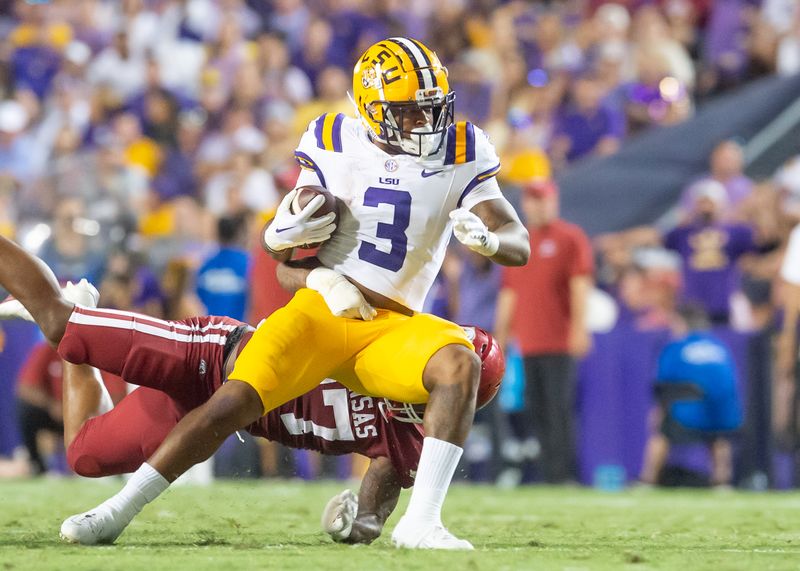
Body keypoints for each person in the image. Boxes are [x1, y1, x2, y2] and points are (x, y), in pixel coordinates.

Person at [55, 37, 530, 551]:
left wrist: (490, 241)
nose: (425, 122)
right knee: (229, 404)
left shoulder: (462, 147)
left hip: (392, 325)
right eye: (409, 111)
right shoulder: (332, 138)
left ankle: (421, 523)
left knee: (461, 364)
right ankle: (117, 509)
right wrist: (293, 244)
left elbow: (518, 241)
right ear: (372, 109)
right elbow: (286, 247)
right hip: (321, 311)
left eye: (431, 108)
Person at [0, 235, 505, 545]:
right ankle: (72, 314)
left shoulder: (413, 442)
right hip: (211, 359)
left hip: (210, 418)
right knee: (58, 322)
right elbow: (304, 282)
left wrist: (354, 525)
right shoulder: (387, 337)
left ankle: (79, 314)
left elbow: (374, 514)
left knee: (85, 456)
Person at [494, 178, 594, 484]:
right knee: (537, 410)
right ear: (525, 204)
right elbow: (509, 293)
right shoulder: (519, 242)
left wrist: (579, 328)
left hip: (559, 340)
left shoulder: (570, 238)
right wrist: (501, 337)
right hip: (529, 343)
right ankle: (550, 474)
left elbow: (580, 285)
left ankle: (565, 474)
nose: (539, 206)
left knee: (559, 410)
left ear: (554, 201)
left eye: (544, 199)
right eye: (534, 200)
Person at [638, 305, 743, 487]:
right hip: (724, 417)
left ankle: (647, 479)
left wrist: (657, 414)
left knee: (661, 433)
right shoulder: (720, 347)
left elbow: (663, 385)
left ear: (682, 324)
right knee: (718, 438)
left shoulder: (676, 347)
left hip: (688, 415)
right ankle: (722, 480)